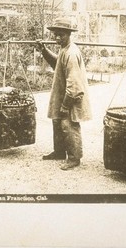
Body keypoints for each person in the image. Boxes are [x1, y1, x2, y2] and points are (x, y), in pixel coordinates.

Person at [36, 17, 92, 170]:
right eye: (56, 34)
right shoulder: (64, 49)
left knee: (68, 125)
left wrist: (66, 105)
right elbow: (57, 63)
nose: (58, 37)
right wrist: (44, 50)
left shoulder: (72, 53)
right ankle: (59, 152)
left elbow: (74, 85)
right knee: (57, 121)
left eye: (62, 34)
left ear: (69, 34)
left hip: (72, 96)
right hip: (62, 94)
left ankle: (74, 158)